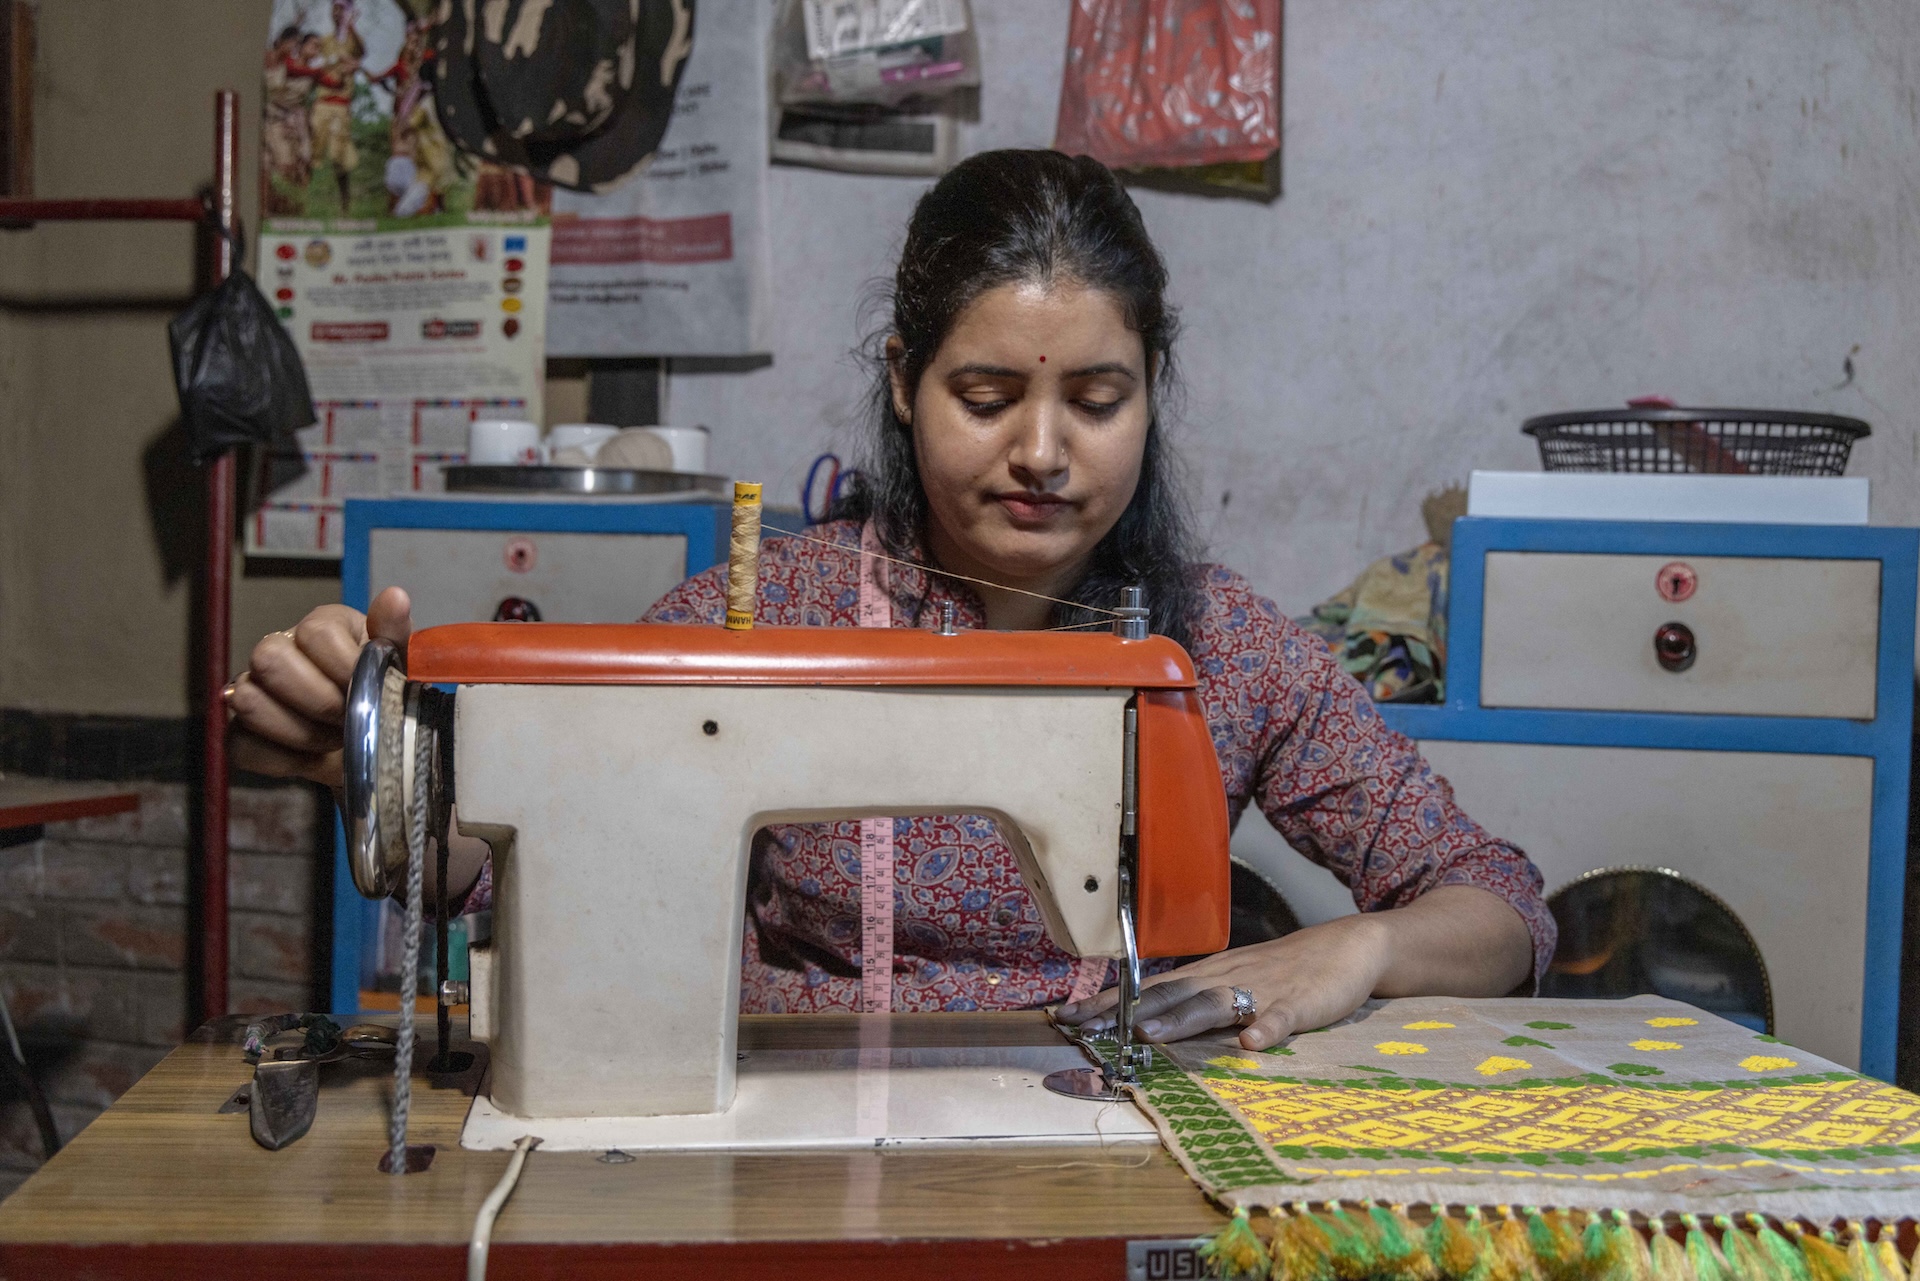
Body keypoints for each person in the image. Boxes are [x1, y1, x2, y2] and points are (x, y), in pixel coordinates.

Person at [228, 149, 1550, 1051]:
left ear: (1155, 388)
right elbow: (495, 868)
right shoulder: (760, 618)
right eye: (986, 398)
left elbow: (1500, 904)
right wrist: (377, 762)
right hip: (789, 1137)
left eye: (1098, 400)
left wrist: (1358, 951)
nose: (1043, 450)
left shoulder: (1225, 647)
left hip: (1105, 1146)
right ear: (905, 380)